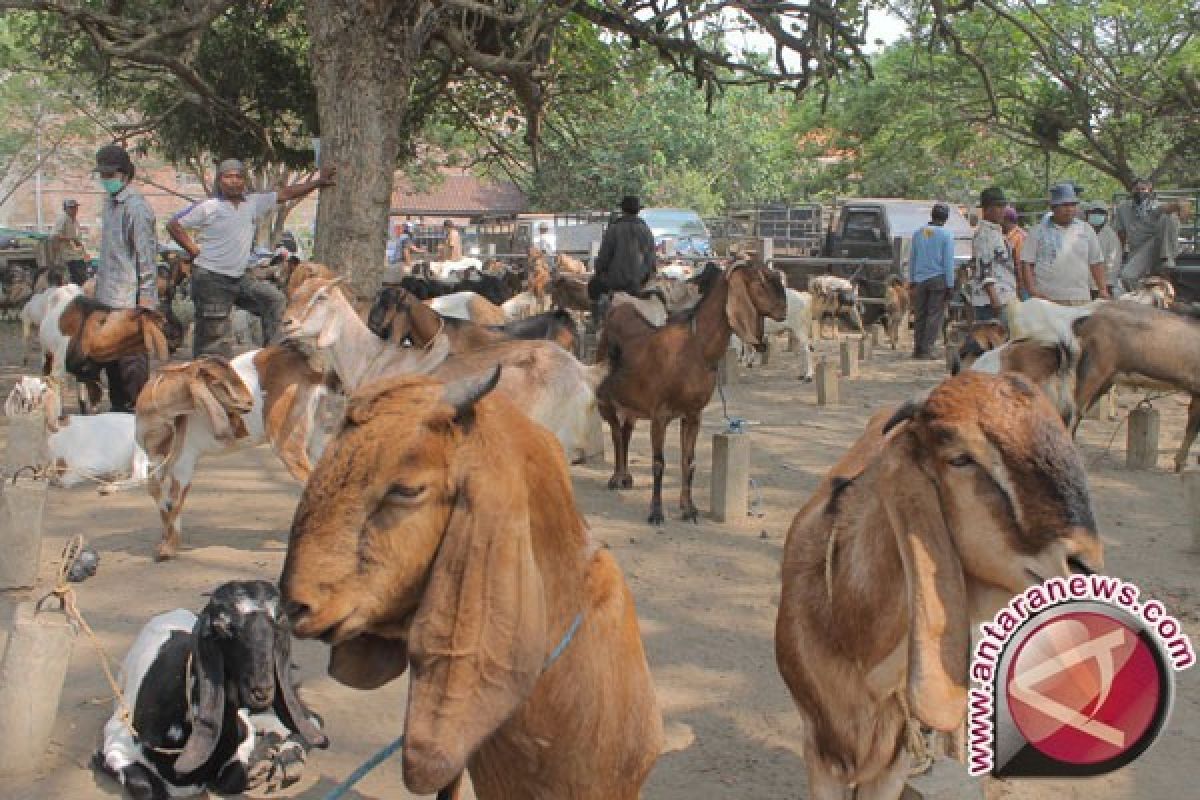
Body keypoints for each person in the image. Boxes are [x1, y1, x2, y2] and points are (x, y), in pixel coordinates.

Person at [166, 158, 335, 357]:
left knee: (274, 300)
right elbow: (174, 225)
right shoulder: (208, 207)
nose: (234, 181)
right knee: (214, 336)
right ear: (220, 180)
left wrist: (317, 182)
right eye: (228, 177)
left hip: (238, 278)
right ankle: (209, 374)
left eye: (238, 177)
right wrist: (194, 250)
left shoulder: (252, 203)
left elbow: (286, 193)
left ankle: (274, 356)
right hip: (211, 279)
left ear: (244, 180)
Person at [92, 144, 158, 412]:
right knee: (111, 361)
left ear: (125, 174)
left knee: (132, 364)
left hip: (129, 300)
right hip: (107, 297)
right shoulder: (110, 204)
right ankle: (118, 412)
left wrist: (146, 300)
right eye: (103, 175)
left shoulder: (136, 208)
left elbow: (146, 256)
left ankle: (138, 414)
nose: (106, 179)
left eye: (111, 174)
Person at [1022, 183, 1107, 306]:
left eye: (1073, 205)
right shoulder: (1037, 231)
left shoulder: (1085, 229)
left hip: (1079, 297)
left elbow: (1096, 261)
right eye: (1064, 205)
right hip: (1046, 298)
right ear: (1053, 207)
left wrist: (1102, 289)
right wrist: (1032, 290)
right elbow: (1027, 263)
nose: (1069, 209)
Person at [589, 195, 656, 322]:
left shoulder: (614, 229)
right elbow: (652, 260)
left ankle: (596, 323)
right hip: (639, 282)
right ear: (638, 211)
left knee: (593, 286)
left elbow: (604, 257)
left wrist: (599, 271)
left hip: (615, 281)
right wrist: (645, 277)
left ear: (623, 210)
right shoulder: (646, 230)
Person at [907, 202, 956, 359]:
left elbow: (912, 258)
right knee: (934, 315)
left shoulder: (918, 233)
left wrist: (912, 279)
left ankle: (917, 349)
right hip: (938, 279)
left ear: (932, 215)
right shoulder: (946, 235)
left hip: (920, 280)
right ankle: (927, 349)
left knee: (920, 314)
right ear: (946, 218)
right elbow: (948, 262)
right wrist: (950, 284)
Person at [1114, 177, 1180, 288]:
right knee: (1126, 277)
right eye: (1136, 188)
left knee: (1170, 217)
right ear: (1131, 190)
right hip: (1136, 250)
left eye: (1143, 189)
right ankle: (1143, 298)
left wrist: (1180, 205)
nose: (1139, 192)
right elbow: (1121, 234)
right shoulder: (1123, 208)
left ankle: (1167, 260)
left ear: (1150, 191)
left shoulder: (1157, 206)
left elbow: (1169, 208)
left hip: (1156, 247)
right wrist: (1119, 258)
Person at [968, 188, 1019, 323]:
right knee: (997, 342)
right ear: (987, 209)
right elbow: (985, 269)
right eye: (998, 206)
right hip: (992, 301)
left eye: (1004, 206)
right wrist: (994, 298)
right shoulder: (985, 234)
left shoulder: (996, 232)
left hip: (1004, 296)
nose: (1003, 210)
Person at [1081, 201, 1122, 298]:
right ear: (1087, 214)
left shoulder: (1111, 236)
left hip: (1101, 285)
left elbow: (1113, 262)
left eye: (1100, 213)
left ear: (1106, 216)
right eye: (1094, 212)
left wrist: (1107, 284)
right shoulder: (1080, 231)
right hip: (1081, 284)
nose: (1097, 215)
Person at [50, 198, 89, 285]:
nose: (74, 210)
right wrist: (71, 239)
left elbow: (76, 238)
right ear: (66, 209)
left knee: (82, 279)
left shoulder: (74, 220)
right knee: (78, 280)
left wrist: (83, 251)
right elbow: (54, 235)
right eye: (71, 208)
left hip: (77, 255)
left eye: (75, 207)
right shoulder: (63, 218)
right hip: (69, 256)